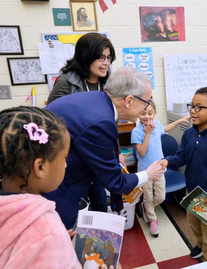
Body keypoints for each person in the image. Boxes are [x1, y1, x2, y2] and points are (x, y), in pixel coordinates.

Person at [44, 66, 164, 230]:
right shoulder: (100, 122)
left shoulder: (96, 100)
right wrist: (148, 174)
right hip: (53, 189)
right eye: (146, 102)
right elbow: (116, 182)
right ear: (128, 101)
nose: (146, 109)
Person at [0, 106, 81, 269]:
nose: (66, 165)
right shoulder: (47, 232)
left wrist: (54, 246)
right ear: (40, 167)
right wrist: (51, 241)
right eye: (64, 157)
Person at [47, 32, 119, 213]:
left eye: (109, 58)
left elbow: (110, 122)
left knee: (100, 203)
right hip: (71, 155)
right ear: (86, 56)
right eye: (101, 57)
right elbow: (50, 122)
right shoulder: (65, 82)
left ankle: (97, 242)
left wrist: (115, 151)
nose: (106, 63)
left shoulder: (108, 84)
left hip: (95, 154)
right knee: (74, 207)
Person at [159, 87, 207, 261]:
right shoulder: (189, 133)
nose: (192, 110)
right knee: (193, 224)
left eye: (199, 107)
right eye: (191, 105)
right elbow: (182, 156)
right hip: (192, 193)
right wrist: (167, 160)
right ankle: (199, 245)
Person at [131, 99, 190, 237]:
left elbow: (166, 128)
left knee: (160, 197)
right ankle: (153, 219)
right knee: (148, 196)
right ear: (138, 115)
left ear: (155, 113)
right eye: (143, 113)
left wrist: (180, 121)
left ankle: (146, 207)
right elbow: (142, 152)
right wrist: (148, 133)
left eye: (150, 113)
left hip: (159, 169)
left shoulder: (156, 125)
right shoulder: (136, 131)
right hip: (145, 172)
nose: (147, 116)